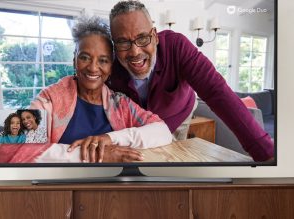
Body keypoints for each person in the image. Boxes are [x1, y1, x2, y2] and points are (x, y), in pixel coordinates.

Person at [108, 0, 274, 161]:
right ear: (115, 46)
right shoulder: (109, 65)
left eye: (143, 38)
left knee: (175, 157)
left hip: (178, 114)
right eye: (123, 42)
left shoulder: (177, 46)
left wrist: (265, 151)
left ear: (155, 36)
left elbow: (217, 91)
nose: (135, 51)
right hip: (136, 125)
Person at [30, 16, 172, 163]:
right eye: (84, 57)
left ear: (111, 67)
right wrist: (96, 155)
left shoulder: (119, 103)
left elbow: (163, 131)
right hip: (65, 183)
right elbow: (12, 148)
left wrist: (110, 138)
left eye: (103, 60)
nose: (92, 68)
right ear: (74, 60)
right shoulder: (48, 98)